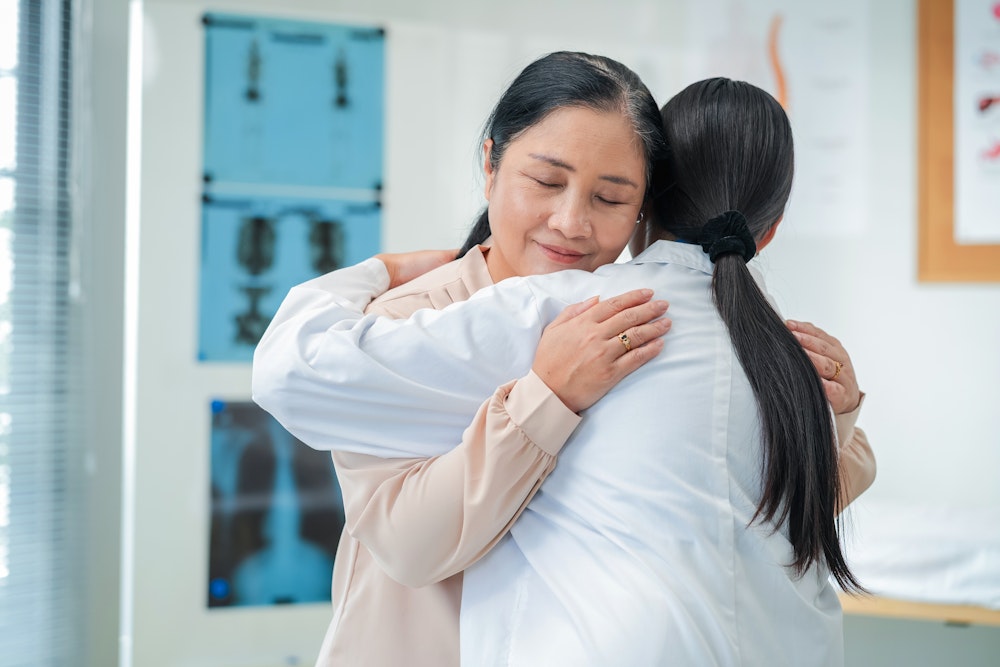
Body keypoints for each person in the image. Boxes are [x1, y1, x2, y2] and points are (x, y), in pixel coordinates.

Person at [254, 70, 875, 665]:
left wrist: (834, 415)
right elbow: (411, 547)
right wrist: (547, 396)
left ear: (645, 211)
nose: (572, 223)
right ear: (491, 163)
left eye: (610, 197)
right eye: (547, 182)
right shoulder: (413, 315)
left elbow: (744, 501)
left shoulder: (652, 319)